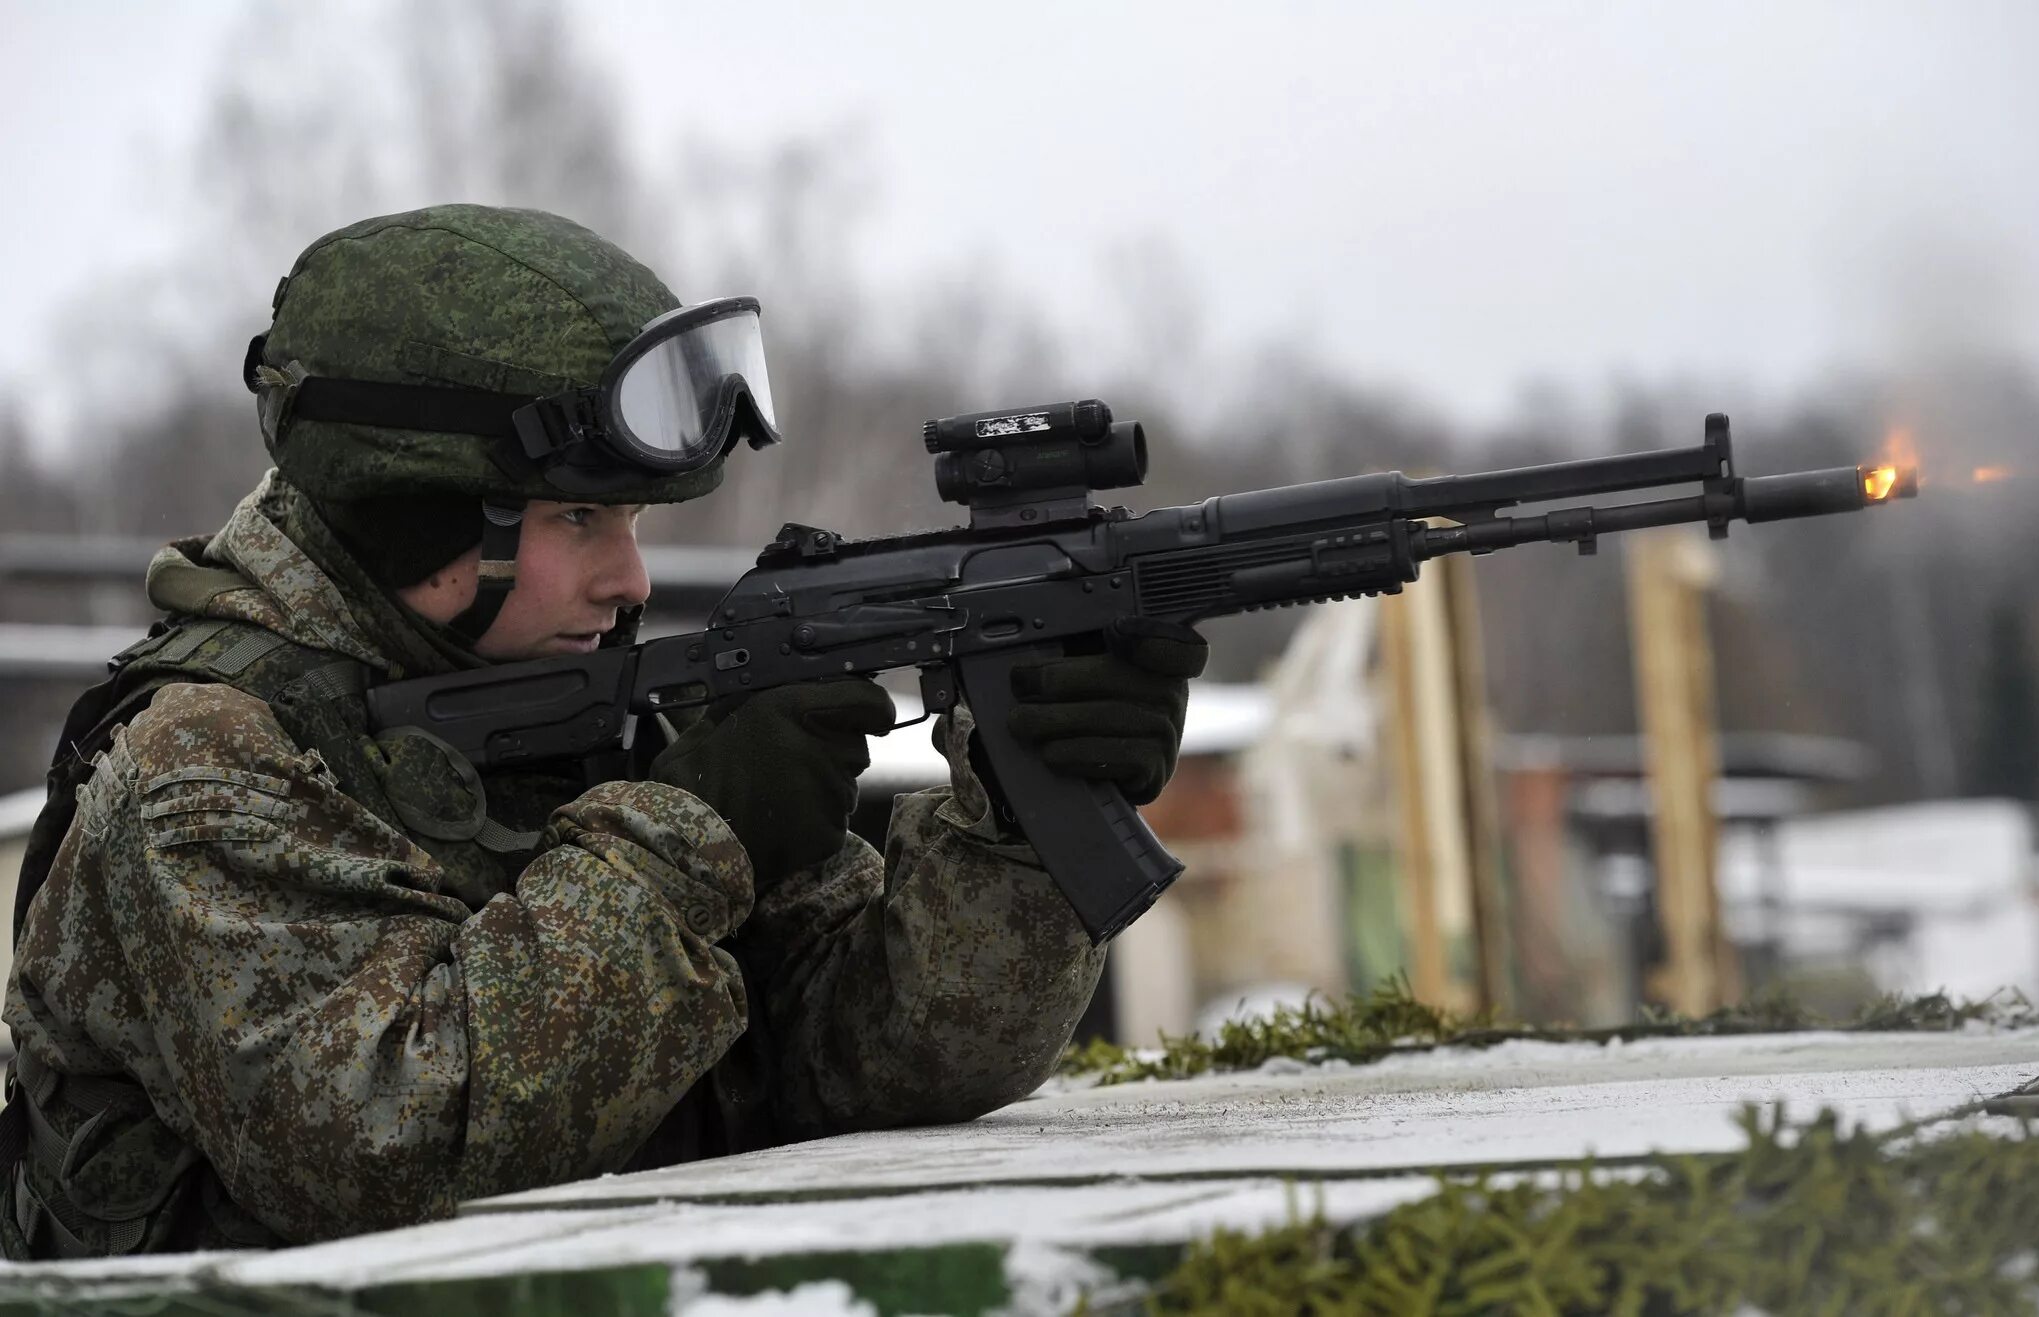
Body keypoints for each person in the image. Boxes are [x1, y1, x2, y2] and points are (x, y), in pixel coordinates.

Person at [0, 204, 1205, 1257]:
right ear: (419, 515)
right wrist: (687, 836)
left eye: (627, 519)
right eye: (578, 517)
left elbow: (880, 1059)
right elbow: (385, 1148)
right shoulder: (201, 767)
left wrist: (1019, 808)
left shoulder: (585, 707)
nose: (628, 579)